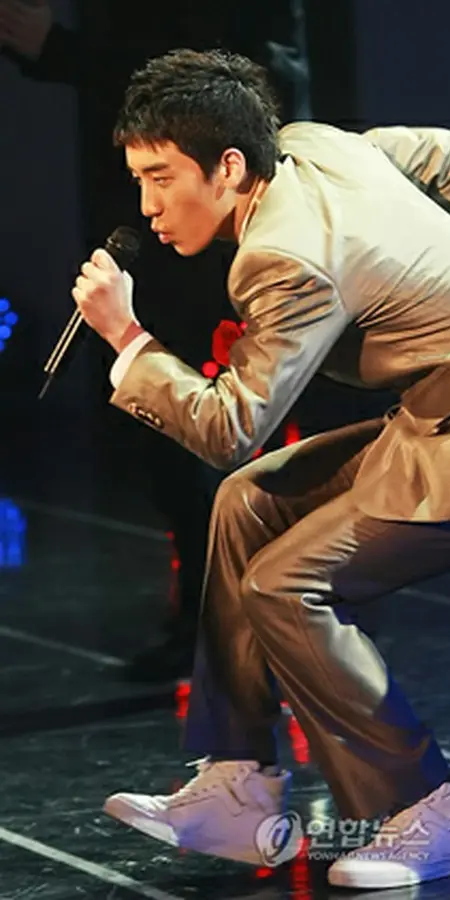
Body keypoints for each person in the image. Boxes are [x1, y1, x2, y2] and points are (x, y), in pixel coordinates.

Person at [70, 48, 450, 890]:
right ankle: (240, 784)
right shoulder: (313, 145)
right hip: (448, 417)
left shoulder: (280, 256)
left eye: (161, 178)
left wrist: (127, 338)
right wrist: (443, 277)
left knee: (285, 584)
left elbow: (230, 427)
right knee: (247, 504)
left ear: (228, 166)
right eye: (138, 180)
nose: (147, 206)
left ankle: (428, 808)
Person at [0, 0, 313, 681]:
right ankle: (217, 626)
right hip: (179, 224)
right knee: (174, 450)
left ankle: (255, 627)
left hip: (224, 226)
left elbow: (244, 77)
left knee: (225, 439)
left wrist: (64, 52)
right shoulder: (150, 199)